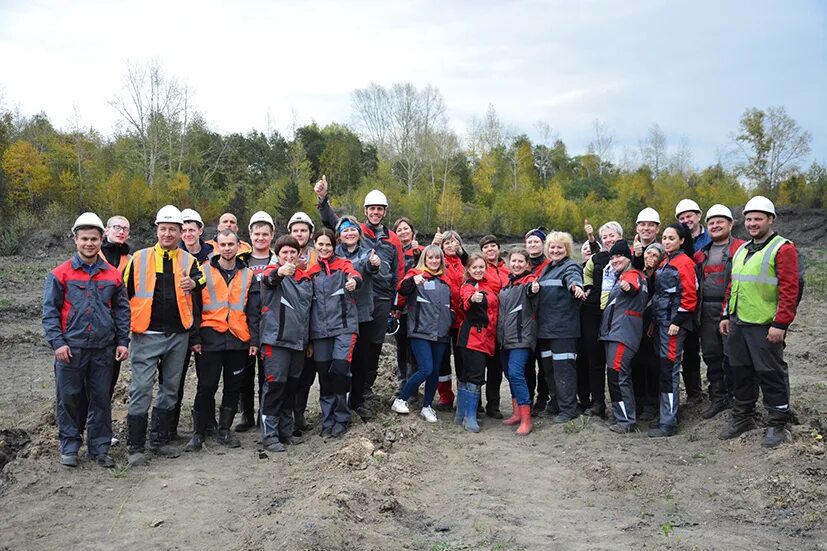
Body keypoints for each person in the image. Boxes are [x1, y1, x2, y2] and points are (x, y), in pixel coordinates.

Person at [42, 213, 130, 468]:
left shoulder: (113, 275)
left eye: (94, 238)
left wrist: (123, 341)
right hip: (71, 349)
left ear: (102, 239)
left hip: (103, 349)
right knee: (69, 398)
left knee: (101, 399)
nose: (89, 243)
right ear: (75, 240)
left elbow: (122, 310)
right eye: (84, 239)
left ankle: (99, 448)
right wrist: (58, 343)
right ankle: (69, 445)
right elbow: (50, 312)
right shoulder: (60, 274)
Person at [123, 205, 204, 466]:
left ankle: (160, 439)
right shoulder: (139, 258)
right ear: (157, 230)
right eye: (163, 228)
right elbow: (122, 295)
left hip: (177, 335)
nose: (167, 233)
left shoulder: (189, 261)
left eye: (173, 229)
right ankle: (135, 445)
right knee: (142, 388)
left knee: (170, 388)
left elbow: (201, 281)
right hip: (146, 334)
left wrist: (193, 283)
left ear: (182, 233)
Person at [315, 176, 404, 413]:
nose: (375, 212)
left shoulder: (391, 239)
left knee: (370, 350)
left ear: (384, 212)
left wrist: (396, 302)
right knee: (347, 355)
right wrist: (323, 200)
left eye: (379, 209)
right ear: (366, 211)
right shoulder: (352, 236)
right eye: (372, 208)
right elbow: (334, 222)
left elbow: (398, 271)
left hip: (379, 300)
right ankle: (343, 398)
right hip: (347, 306)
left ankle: (362, 392)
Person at [719, 196, 800, 448]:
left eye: (758, 219)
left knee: (770, 372)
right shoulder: (742, 249)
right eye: (749, 219)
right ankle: (742, 416)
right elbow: (733, 284)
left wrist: (781, 324)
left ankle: (777, 421)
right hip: (739, 322)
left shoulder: (782, 248)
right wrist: (725, 315)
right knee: (740, 371)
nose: (752, 223)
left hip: (765, 325)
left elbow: (790, 290)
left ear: (770, 220)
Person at [185, 229, 260, 452]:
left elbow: (253, 312)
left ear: (239, 246)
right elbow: (195, 307)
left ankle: (224, 430)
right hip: (210, 338)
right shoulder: (203, 271)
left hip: (238, 340)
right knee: (206, 386)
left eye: (231, 244)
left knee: (233, 387)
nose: (227, 248)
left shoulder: (248, 275)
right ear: (216, 246)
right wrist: (195, 337)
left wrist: (254, 340)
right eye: (223, 244)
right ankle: (198, 433)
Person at [257, 236, 314, 452]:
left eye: (293, 253)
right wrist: (279, 272)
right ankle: (269, 435)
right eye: (284, 254)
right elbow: (268, 279)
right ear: (278, 256)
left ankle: (286, 430)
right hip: (276, 341)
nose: (289, 257)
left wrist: (308, 342)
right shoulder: (272, 274)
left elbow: (307, 314)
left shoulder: (306, 280)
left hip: (298, 344)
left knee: (291, 388)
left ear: (300, 254)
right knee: (275, 387)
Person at [305, 229, 362, 438]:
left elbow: (355, 275)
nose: (324, 248)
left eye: (328, 245)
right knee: (324, 376)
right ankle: (327, 419)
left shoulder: (343, 265)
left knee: (339, 371)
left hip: (344, 328)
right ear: (315, 245)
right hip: (319, 332)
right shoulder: (310, 272)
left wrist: (354, 281)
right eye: (320, 245)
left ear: (334, 245)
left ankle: (342, 417)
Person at [392, 245, 453, 423]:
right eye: (430, 258)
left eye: (437, 258)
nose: (434, 261)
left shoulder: (445, 281)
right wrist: (412, 281)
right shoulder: (415, 275)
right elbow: (402, 289)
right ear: (424, 259)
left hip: (441, 333)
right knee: (425, 368)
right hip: (420, 331)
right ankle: (401, 399)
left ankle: (427, 406)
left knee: (434, 371)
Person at [693, 204, 744, 419]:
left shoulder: (741, 249)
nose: (715, 225)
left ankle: (738, 399)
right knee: (712, 356)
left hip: (732, 312)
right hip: (705, 312)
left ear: (731, 224)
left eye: (720, 221)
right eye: (711, 223)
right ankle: (717, 397)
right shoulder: (700, 255)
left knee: (733, 356)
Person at [649, 223, 697, 438]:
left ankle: (669, 422)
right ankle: (664, 415)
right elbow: (660, 295)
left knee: (669, 370)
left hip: (673, 326)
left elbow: (690, 296)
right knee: (663, 369)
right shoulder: (665, 262)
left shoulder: (684, 263)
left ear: (682, 240)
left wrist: (678, 320)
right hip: (660, 324)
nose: (666, 242)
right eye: (665, 238)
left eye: (671, 238)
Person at [172, 207, 214, 438]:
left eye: (192, 229)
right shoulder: (173, 256)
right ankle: (171, 427)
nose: (188, 233)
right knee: (174, 380)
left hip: (206, 324)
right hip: (179, 326)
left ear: (200, 230)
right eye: (184, 229)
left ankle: (207, 423)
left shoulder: (212, 255)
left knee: (206, 379)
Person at [536, 232, 586, 424]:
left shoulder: (570, 265)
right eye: (552, 247)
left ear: (567, 249)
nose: (555, 250)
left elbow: (573, 278)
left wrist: (576, 286)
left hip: (563, 330)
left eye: (560, 247)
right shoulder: (547, 268)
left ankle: (568, 409)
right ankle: (556, 402)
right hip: (545, 329)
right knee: (549, 369)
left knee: (563, 370)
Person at [599, 240, 648, 434]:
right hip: (616, 333)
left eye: (619, 256)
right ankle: (623, 415)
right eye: (612, 257)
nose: (615, 260)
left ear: (628, 257)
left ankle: (625, 420)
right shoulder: (623, 276)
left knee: (618, 375)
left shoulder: (632, 275)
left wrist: (629, 287)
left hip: (622, 334)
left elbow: (633, 287)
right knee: (617, 375)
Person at [234, 211, 277, 433]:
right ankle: (246, 414)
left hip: (271, 322)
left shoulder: (278, 260)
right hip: (245, 323)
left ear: (272, 235)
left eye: (265, 234)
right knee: (245, 372)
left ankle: (264, 414)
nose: (261, 238)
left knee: (267, 373)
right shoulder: (241, 261)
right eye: (257, 234)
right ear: (249, 235)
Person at [335, 215, 381, 420]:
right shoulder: (334, 254)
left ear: (359, 233)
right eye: (345, 230)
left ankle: (358, 400)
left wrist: (374, 264)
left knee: (362, 361)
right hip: (340, 316)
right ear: (339, 235)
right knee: (342, 361)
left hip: (363, 314)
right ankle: (339, 401)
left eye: (353, 229)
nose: (349, 233)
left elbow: (372, 269)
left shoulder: (367, 253)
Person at [581, 220, 624, 418]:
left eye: (612, 236)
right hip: (593, 313)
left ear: (620, 237)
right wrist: (588, 287)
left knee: (617, 361)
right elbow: (586, 272)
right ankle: (598, 402)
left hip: (618, 314)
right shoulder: (597, 258)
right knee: (594, 359)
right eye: (605, 236)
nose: (608, 240)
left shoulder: (626, 256)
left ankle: (620, 404)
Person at [497, 247, 540, 436]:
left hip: (522, 338)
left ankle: (526, 419)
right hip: (505, 339)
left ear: (527, 264)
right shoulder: (507, 285)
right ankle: (516, 413)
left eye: (520, 261)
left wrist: (534, 287)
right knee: (509, 374)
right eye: (513, 261)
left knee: (516, 373)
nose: (516, 264)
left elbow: (533, 289)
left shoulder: (528, 281)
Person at [283, 211, 319, 435]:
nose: (299, 234)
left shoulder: (318, 255)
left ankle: (299, 411)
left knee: (307, 374)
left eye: (303, 230)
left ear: (310, 233)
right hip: (288, 326)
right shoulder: (282, 254)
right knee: (285, 375)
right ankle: (281, 415)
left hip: (312, 321)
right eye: (295, 230)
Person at [455, 253, 497, 433]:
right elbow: (466, 299)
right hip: (473, 337)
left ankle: (461, 414)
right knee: (473, 376)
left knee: (468, 375)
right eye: (475, 268)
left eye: (481, 267)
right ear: (468, 270)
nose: (478, 270)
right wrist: (473, 299)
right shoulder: (468, 286)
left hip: (483, 337)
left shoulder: (488, 285)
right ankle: (469, 416)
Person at [674, 199, 708, 405]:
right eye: (682, 217)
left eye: (690, 216)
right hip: (686, 303)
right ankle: (694, 393)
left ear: (699, 216)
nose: (687, 220)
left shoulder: (710, 238)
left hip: (708, 301)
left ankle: (718, 393)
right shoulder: (678, 239)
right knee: (690, 348)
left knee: (714, 350)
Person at [99, 215, 132, 409]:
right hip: (95, 323)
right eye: (117, 227)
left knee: (111, 377)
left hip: (118, 325)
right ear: (106, 230)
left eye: (125, 229)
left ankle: (102, 424)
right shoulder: (95, 254)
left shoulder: (130, 259)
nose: (121, 231)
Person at [433, 229, 467, 410]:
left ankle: (465, 398)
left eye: (455, 242)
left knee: (462, 360)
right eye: (447, 243)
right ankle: (446, 397)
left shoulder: (466, 264)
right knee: (442, 360)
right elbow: (423, 261)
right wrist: (435, 244)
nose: (451, 245)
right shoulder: (437, 263)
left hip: (462, 320)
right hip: (442, 320)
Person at [392, 217, 423, 394]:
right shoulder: (393, 253)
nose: (403, 232)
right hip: (399, 307)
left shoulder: (420, 251)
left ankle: (413, 384)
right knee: (401, 346)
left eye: (406, 229)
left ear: (412, 231)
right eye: (399, 230)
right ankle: (402, 382)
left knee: (415, 347)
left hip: (418, 308)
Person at [480, 234, 509, 419]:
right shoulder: (479, 268)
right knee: (477, 367)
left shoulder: (507, 270)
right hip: (483, 324)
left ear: (498, 248)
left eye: (493, 246)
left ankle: (493, 404)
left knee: (495, 368)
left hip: (502, 325)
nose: (490, 249)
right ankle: (475, 404)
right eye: (486, 247)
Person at [524, 226, 553, 416]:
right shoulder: (522, 265)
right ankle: (528, 398)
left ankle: (543, 398)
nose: (533, 245)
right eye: (529, 242)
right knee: (527, 363)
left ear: (543, 244)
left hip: (545, 319)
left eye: (536, 241)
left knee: (544, 363)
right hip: (527, 322)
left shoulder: (550, 265)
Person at [637, 243, 666, 421]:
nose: (650, 257)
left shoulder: (661, 276)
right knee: (637, 362)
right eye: (648, 253)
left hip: (653, 324)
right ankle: (638, 400)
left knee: (652, 364)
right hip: (635, 323)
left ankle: (652, 402)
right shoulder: (637, 273)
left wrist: (654, 322)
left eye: (655, 255)